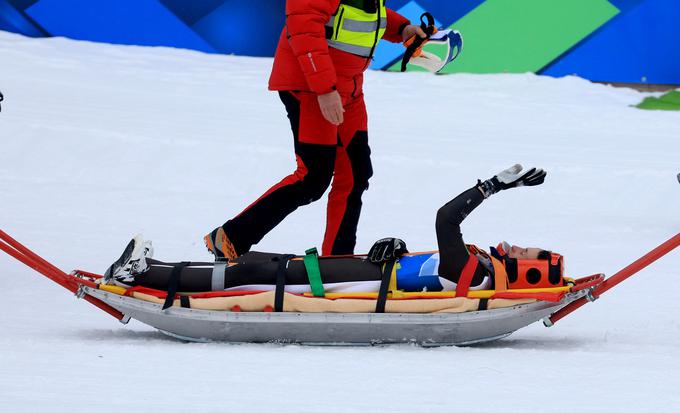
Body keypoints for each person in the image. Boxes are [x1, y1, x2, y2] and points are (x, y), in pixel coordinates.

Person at [105, 165, 563, 295]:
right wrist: (398, 248)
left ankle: (140, 276)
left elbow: (447, 220)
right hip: (353, 269)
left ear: (527, 271)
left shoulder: (477, 275)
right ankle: (149, 269)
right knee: (253, 265)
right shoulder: (475, 266)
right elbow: (423, 270)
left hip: (345, 282)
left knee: (247, 273)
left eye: (530, 252)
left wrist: (490, 187)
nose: (522, 245)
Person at [203, 1, 431, 260]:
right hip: (311, 87)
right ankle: (231, 237)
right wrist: (324, 89)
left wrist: (402, 29)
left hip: (348, 88)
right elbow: (304, 28)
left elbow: (364, 13)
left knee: (355, 174)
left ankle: (338, 259)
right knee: (312, 178)